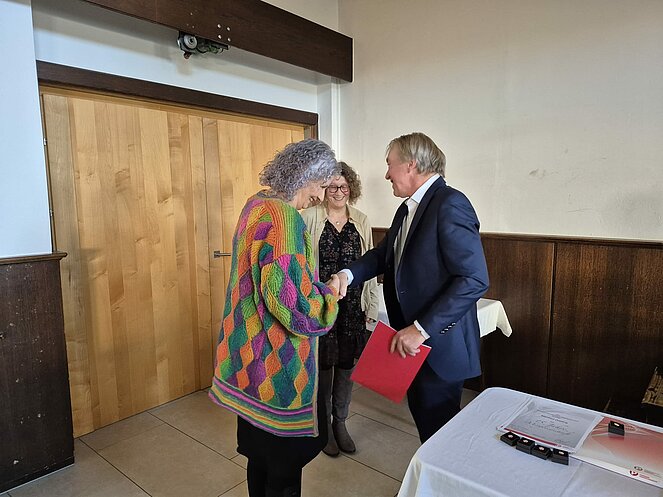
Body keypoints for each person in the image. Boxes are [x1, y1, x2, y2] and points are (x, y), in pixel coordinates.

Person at [208, 139, 342, 497]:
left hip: (248, 357)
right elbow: (294, 306)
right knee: (284, 469)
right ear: (304, 176)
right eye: (321, 185)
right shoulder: (286, 220)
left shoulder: (256, 204)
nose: (321, 196)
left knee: (259, 457)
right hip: (277, 363)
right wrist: (328, 297)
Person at [336, 132, 489, 443]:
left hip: (438, 346)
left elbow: (474, 279)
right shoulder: (407, 208)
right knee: (426, 424)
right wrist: (346, 275)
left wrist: (420, 329)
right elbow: (383, 255)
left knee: (440, 436)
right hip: (414, 346)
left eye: (389, 164)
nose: (386, 174)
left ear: (411, 165)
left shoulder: (450, 203)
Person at [301, 162, 379, 456]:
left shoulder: (361, 220)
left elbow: (370, 266)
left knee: (346, 367)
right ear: (324, 189)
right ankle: (323, 428)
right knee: (323, 368)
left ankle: (340, 423)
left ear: (351, 189)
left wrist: (371, 305)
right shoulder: (308, 217)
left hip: (352, 307)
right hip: (321, 307)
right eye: (332, 186)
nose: (338, 192)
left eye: (343, 186)